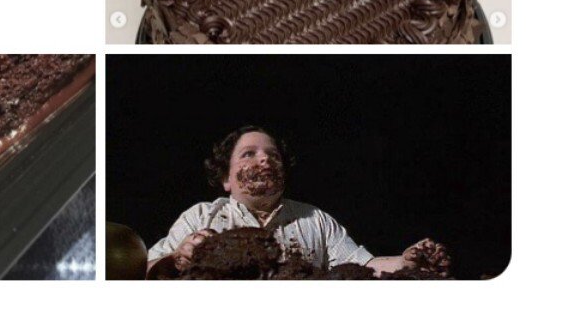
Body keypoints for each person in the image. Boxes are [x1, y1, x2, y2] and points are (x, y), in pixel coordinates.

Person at [147, 118, 449, 277]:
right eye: (249, 154)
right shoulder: (201, 216)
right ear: (226, 178)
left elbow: (364, 266)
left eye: (272, 155)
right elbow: (144, 270)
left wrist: (406, 261)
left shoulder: (314, 220)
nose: (264, 160)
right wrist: (176, 258)